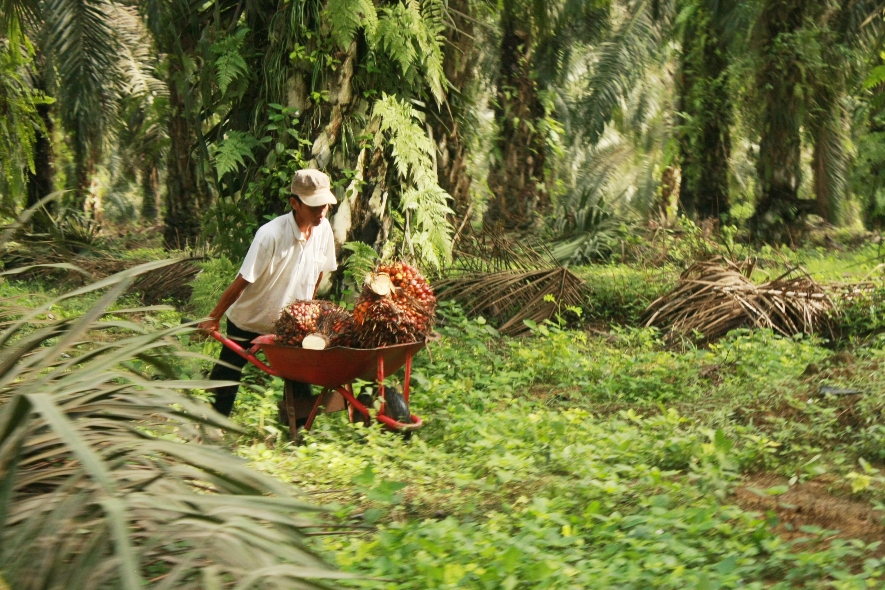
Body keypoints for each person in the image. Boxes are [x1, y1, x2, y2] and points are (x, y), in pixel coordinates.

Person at [198, 169, 338, 416]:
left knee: (298, 376)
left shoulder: (323, 229)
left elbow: (318, 273)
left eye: (325, 206)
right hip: (251, 317)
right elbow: (242, 281)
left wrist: (309, 309)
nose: (321, 212)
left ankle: (298, 432)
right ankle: (214, 423)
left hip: (290, 323)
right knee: (228, 372)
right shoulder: (270, 235)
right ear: (294, 203)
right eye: (315, 206)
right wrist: (214, 316)